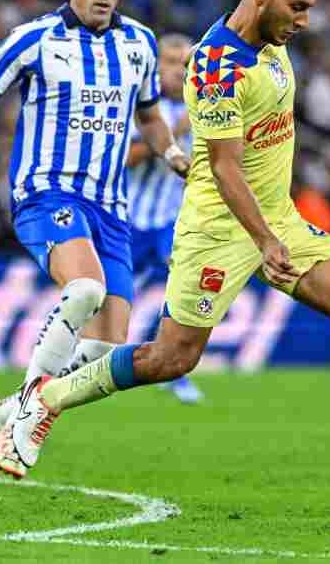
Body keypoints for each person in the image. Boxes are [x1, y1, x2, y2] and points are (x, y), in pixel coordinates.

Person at [0, 0, 330, 504]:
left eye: (309, 8)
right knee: (172, 358)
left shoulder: (273, 43)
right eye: (297, 8)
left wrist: (276, 230)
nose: (304, 21)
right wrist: (264, 240)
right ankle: (46, 399)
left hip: (278, 220)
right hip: (219, 229)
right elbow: (224, 168)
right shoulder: (216, 65)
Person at [0, 0, 189, 483]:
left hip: (111, 207)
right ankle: (28, 421)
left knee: (107, 347)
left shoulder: (139, 44)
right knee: (84, 291)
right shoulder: (34, 39)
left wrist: (171, 153)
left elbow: (150, 115)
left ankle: (2, 412)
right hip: (47, 193)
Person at [125, 32, 203, 405]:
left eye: (184, 63)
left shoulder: (205, 110)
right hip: (130, 220)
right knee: (112, 296)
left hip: (173, 222)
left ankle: (173, 368)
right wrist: (170, 138)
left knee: (188, 289)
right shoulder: (141, 108)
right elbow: (125, 159)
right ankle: (82, 361)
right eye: (169, 62)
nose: (177, 71)